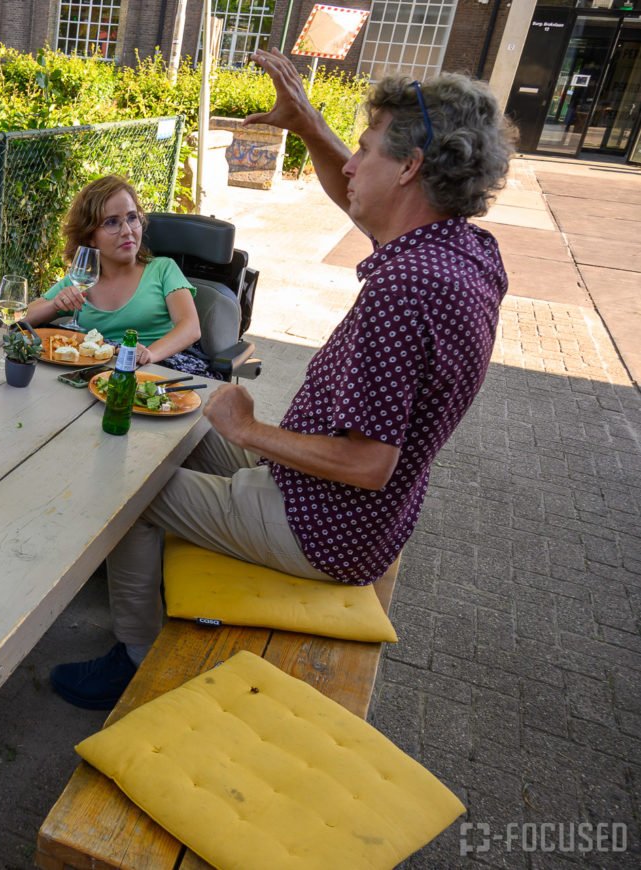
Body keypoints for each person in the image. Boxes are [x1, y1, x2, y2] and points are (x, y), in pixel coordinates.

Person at [50, 51, 513, 710]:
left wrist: (250, 430)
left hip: (321, 525)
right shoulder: (460, 250)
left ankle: (131, 656)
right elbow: (367, 203)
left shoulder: (405, 287)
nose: (348, 164)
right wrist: (306, 126)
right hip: (343, 510)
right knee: (198, 399)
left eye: (364, 148)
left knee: (131, 490)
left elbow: (368, 463)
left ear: (409, 167)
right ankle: (154, 572)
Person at [24, 176, 203, 370]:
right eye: (111, 222)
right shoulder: (82, 280)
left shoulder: (163, 269)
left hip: (162, 369)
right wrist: (55, 304)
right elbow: (21, 318)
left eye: (132, 218)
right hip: (99, 373)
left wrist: (149, 354)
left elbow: (190, 327)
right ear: (90, 236)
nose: (127, 230)